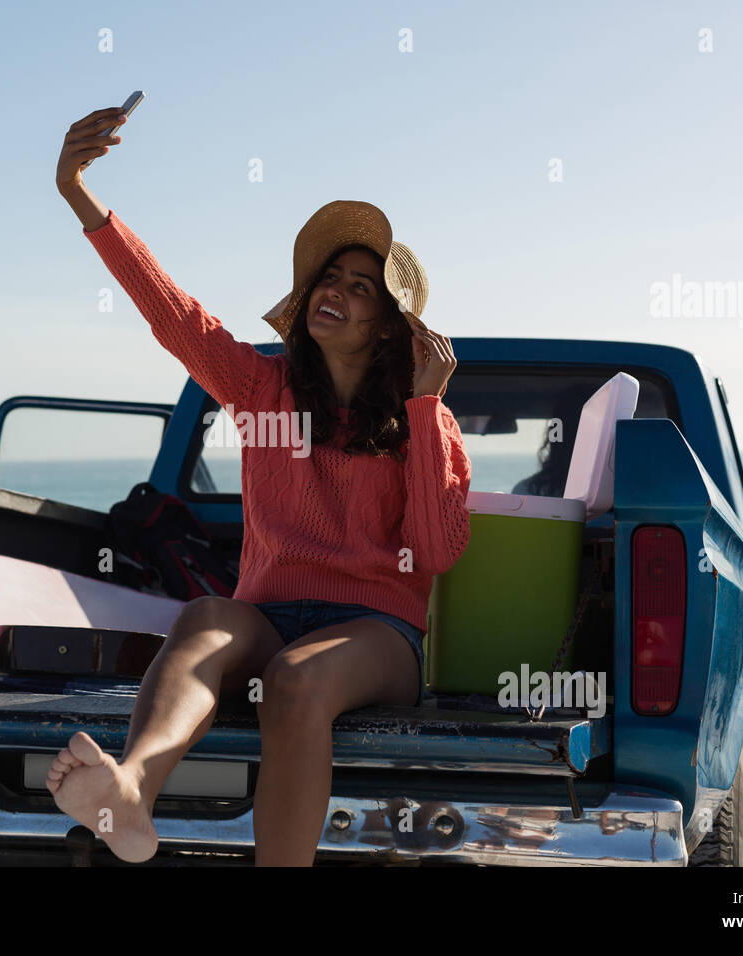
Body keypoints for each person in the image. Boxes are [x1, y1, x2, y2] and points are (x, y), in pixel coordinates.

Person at [46, 105, 471, 866]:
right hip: (271, 614)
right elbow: (171, 314)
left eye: (360, 286)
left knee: (295, 677)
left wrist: (426, 405)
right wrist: (78, 192)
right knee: (208, 612)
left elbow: (437, 551)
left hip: (378, 632)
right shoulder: (261, 388)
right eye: (327, 277)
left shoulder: (423, 421)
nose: (332, 290)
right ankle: (133, 794)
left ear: (388, 326)